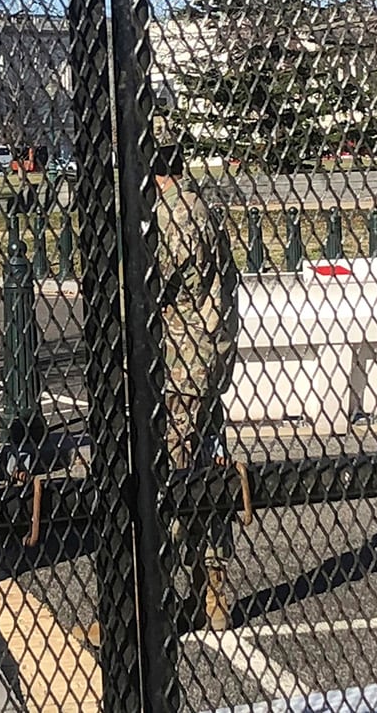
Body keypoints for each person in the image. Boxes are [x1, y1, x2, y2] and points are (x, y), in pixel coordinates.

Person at [152, 118, 239, 632]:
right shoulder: (202, 205)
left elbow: (150, 284)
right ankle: (215, 592)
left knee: (172, 474)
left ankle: (157, 598)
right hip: (207, 357)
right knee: (208, 468)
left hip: (181, 362)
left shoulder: (172, 214)